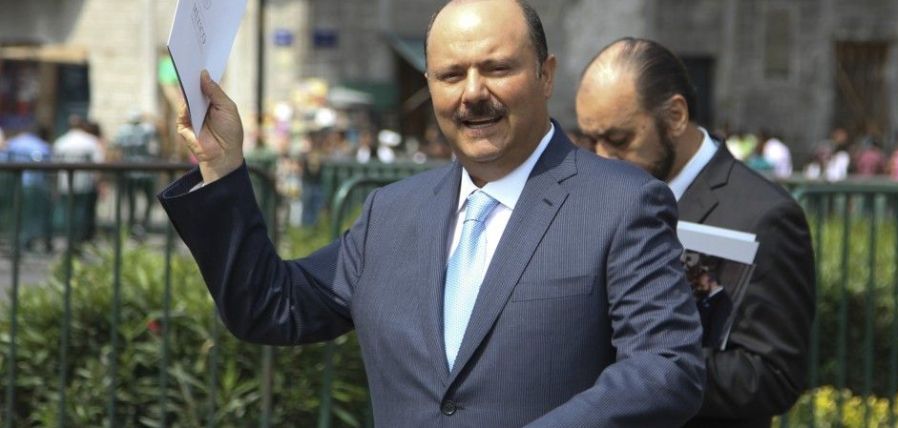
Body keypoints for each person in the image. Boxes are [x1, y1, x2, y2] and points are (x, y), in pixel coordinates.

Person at [158, 1, 705, 426]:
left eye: (497, 68)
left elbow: (665, 367)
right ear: (429, 86)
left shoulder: (622, 202)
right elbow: (269, 305)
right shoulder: (391, 213)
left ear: (545, 75)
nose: (473, 93)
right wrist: (222, 165)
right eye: (451, 75)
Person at [576, 37, 815, 428]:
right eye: (591, 141)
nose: (603, 157)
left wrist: (655, 366)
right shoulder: (595, 195)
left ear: (675, 116)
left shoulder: (765, 216)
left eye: (619, 140)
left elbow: (773, 377)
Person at [53, 115, 105, 242]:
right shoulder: (90, 141)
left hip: (65, 184)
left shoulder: (61, 142)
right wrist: (99, 183)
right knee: (82, 213)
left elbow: (55, 166)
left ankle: (69, 237)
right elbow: (99, 164)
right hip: (85, 183)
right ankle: (79, 239)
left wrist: (55, 186)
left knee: (67, 212)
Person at [113, 111, 160, 237]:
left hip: (129, 170)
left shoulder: (123, 130)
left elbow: (115, 148)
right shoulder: (148, 129)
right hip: (145, 170)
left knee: (130, 201)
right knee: (149, 200)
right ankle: (143, 225)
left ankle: (132, 226)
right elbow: (156, 145)